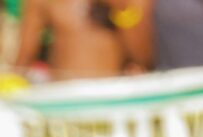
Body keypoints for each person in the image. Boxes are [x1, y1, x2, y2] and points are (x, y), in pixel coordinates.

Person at [16, 0, 154, 80]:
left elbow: (145, 59)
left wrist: (121, 10)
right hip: (63, 102)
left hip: (114, 100)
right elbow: (22, 63)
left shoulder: (131, 3)